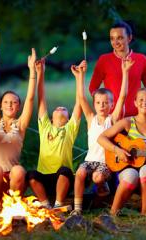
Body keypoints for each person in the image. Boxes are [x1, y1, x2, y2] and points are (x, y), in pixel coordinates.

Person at [72, 57, 134, 215]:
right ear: (94, 104)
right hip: (89, 160)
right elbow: (81, 98)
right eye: (98, 103)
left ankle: (102, 186)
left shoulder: (112, 120)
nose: (102, 106)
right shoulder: (91, 119)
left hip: (106, 162)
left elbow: (123, 96)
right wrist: (80, 77)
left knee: (97, 177)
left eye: (106, 103)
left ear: (111, 105)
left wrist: (125, 72)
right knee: (79, 173)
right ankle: (77, 209)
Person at [98, 88, 146, 216]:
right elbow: (101, 138)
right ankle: (113, 213)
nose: (144, 102)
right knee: (130, 175)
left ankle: (145, 214)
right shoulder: (127, 122)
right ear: (135, 102)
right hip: (128, 165)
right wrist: (117, 150)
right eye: (141, 100)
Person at [0, 49, 36, 213]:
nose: (9, 105)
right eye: (6, 102)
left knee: (19, 170)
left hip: (13, 181)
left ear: (18, 107)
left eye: (14, 102)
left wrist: (32, 71)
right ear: (1, 105)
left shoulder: (20, 125)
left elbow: (30, 98)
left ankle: (13, 208)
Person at [27, 60, 82, 209]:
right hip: (44, 178)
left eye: (64, 109)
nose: (60, 108)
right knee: (31, 175)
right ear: (50, 118)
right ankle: (45, 204)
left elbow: (79, 103)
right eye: (57, 108)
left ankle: (58, 204)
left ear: (69, 118)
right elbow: (41, 98)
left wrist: (79, 78)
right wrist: (41, 73)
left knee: (65, 171)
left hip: (63, 179)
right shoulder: (45, 126)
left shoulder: (70, 129)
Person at [89, 21, 146, 117]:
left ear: (129, 38)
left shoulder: (141, 59)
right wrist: (102, 106)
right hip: (112, 118)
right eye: (112, 38)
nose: (115, 42)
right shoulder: (104, 60)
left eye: (120, 38)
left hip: (136, 117)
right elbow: (93, 88)